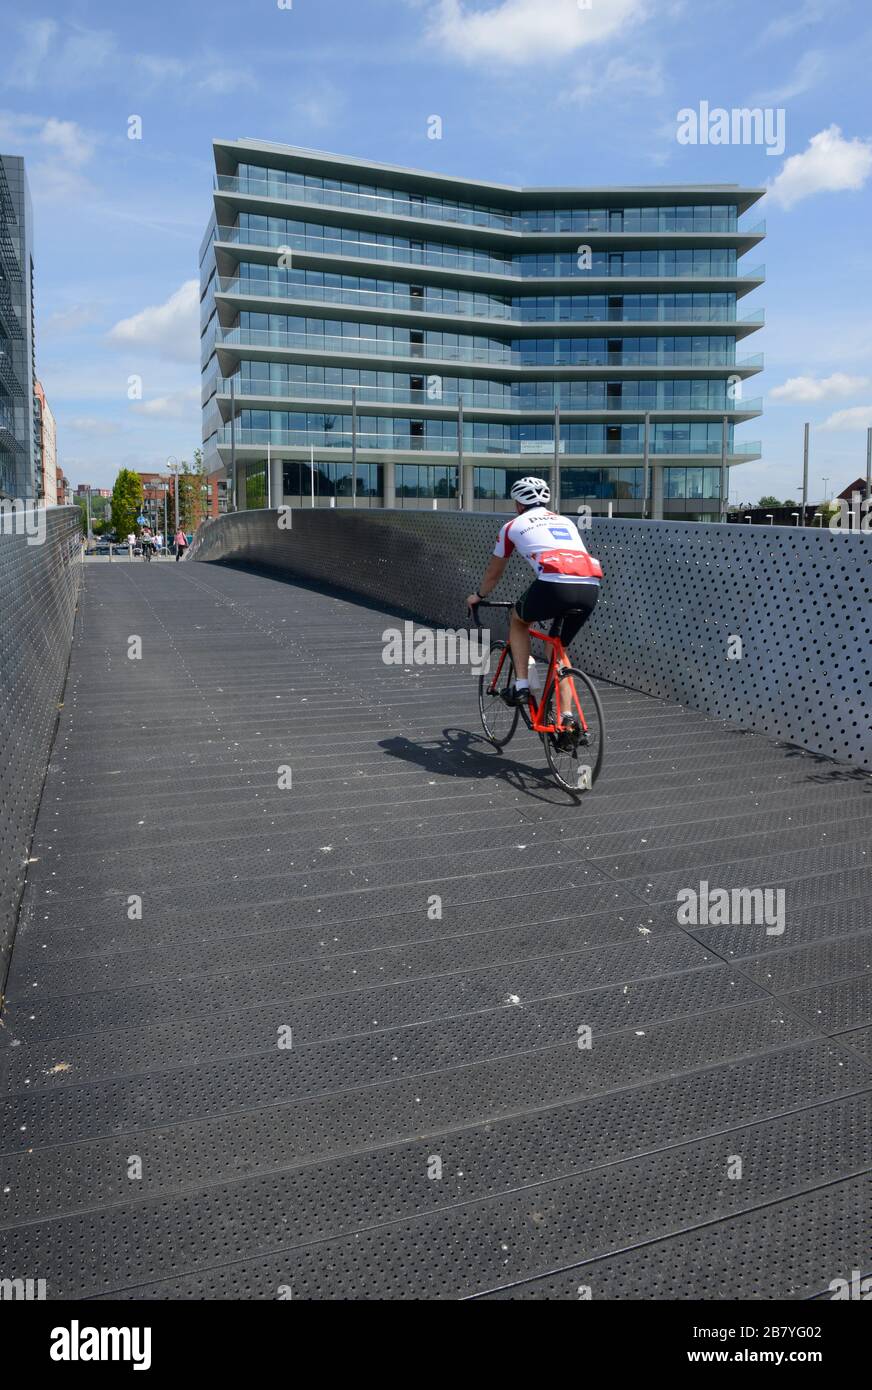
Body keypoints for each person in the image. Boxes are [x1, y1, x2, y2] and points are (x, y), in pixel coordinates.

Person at [467, 476, 602, 738]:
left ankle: (520, 685)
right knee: (558, 649)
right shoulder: (565, 521)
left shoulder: (512, 526)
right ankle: (567, 721)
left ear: (518, 504)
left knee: (518, 620)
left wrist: (478, 595)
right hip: (590, 587)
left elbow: (494, 575)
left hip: (554, 584)